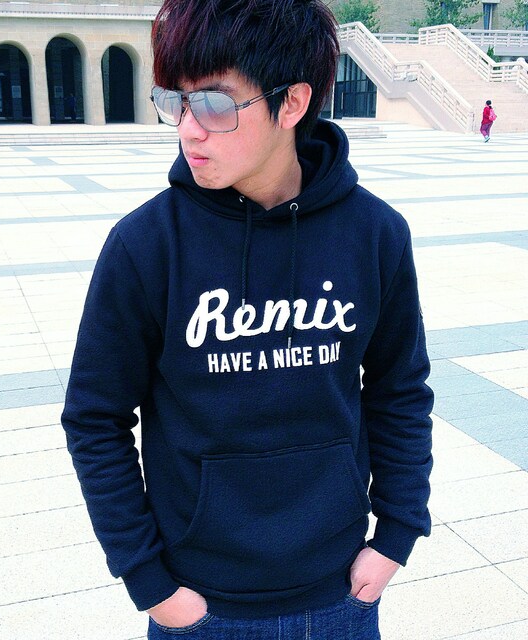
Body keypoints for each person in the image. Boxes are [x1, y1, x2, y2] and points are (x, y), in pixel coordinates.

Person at [61, 1, 434, 638]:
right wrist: (149, 582)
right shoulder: (145, 246)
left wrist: (397, 533)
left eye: (213, 104)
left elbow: (399, 391)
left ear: (292, 104)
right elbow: (95, 418)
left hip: (341, 593)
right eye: (175, 102)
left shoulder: (375, 235)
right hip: (201, 606)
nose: (189, 130)